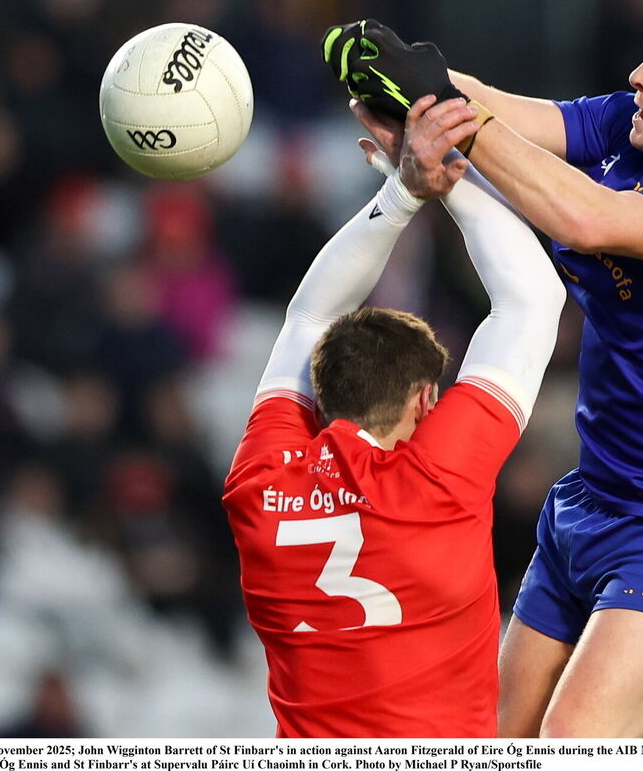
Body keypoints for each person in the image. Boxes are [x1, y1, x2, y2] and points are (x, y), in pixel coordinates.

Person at [325, 0, 643, 736]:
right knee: (494, 741)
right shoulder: (636, 125)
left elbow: (584, 216)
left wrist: (449, 119)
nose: (636, 79)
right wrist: (415, 94)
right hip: (590, 499)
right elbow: (504, 111)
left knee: (570, 744)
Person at [222, 96, 565, 737]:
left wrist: (405, 190)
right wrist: (439, 174)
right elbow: (532, 300)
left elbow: (307, 318)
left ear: (318, 397)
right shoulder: (437, 480)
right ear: (423, 401)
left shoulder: (262, 483)